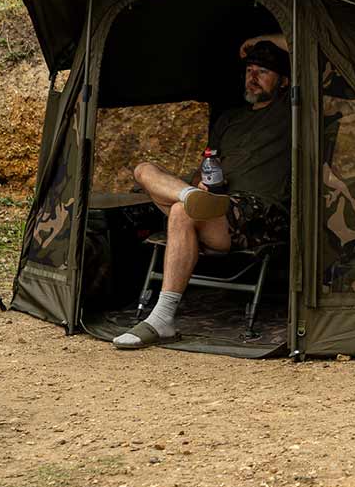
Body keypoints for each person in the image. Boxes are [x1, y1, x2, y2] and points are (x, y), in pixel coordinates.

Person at [113, 35, 291, 349]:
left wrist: (258, 39)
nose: (252, 76)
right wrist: (200, 185)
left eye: (263, 71)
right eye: (249, 70)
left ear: (285, 81)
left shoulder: (289, 112)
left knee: (183, 212)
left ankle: (162, 318)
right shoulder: (229, 119)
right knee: (143, 170)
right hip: (215, 204)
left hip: (258, 209)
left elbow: (311, 43)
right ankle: (189, 196)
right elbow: (205, 166)